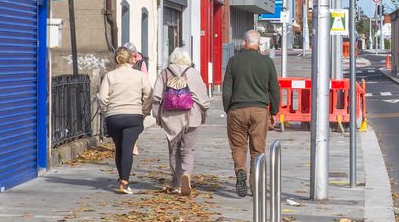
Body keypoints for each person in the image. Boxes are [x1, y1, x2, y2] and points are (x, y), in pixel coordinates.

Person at [222, 29, 280, 197]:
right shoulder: (267, 62)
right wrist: (274, 111)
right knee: (257, 149)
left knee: (238, 146)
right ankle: (255, 185)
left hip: (237, 110)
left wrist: (228, 109)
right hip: (259, 111)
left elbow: (227, 89)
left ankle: (240, 171)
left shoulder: (233, 61)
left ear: (244, 43)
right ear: (259, 44)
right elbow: (274, 89)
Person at [150, 47, 210, 196]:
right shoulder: (193, 73)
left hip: (170, 118)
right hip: (191, 115)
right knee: (188, 150)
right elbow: (204, 99)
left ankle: (176, 182)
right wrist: (203, 111)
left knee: (174, 150)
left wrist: (157, 117)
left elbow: (156, 97)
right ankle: (186, 175)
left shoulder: (164, 73)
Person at [97, 46, 150, 194]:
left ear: (116, 59)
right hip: (134, 116)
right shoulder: (139, 76)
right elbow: (149, 95)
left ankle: (122, 179)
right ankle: (124, 183)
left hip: (114, 117)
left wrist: (107, 111)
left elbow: (102, 98)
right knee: (128, 148)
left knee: (119, 149)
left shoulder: (110, 76)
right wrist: (144, 112)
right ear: (130, 59)